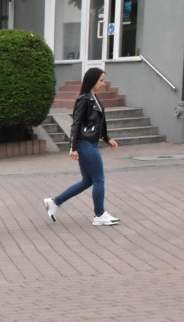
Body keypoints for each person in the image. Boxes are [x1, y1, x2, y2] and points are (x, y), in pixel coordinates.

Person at [44, 67, 120, 226]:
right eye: (101, 80)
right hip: (85, 145)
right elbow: (76, 123)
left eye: (103, 80)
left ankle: (55, 202)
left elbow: (100, 122)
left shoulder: (94, 98)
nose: (103, 83)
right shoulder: (84, 99)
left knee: (87, 181)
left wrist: (107, 138)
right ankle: (99, 215)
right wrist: (73, 148)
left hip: (90, 144)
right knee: (99, 179)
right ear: (92, 80)